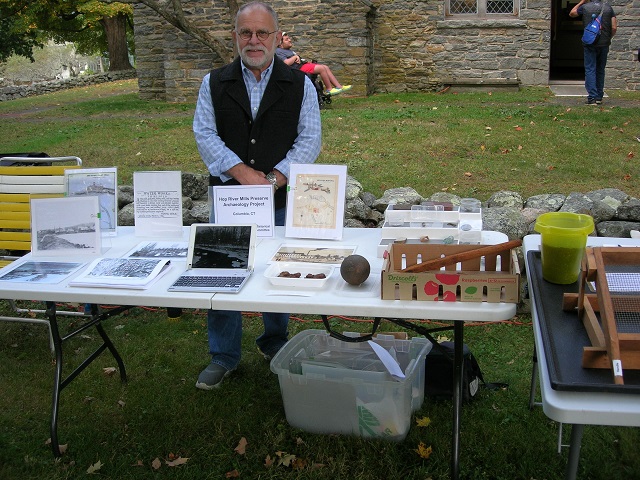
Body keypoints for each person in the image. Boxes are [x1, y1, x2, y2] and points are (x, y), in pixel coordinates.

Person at [192, 1, 322, 390]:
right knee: (221, 273)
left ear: (275, 37)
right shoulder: (212, 82)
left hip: (280, 199)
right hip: (228, 200)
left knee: (278, 274)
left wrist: (274, 180)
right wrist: (243, 174)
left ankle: (276, 342)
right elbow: (205, 133)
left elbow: (310, 139)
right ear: (235, 37)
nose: (253, 40)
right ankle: (223, 355)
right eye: (245, 32)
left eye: (262, 33)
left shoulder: (300, 84)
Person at [570, 0, 617, 105]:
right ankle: (599, 96)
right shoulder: (608, 8)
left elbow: (572, 13)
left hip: (590, 43)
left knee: (590, 69)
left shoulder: (585, 7)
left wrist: (581, 2)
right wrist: (608, 38)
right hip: (604, 43)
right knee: (600, 69)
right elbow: (614, 27)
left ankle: (592, 98)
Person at [276, 32, 352, 96]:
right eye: (286, 40)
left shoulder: (288, 50)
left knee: (325, 67)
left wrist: (296, 57)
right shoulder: (278, 51)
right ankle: (329, 89)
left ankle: (339, 87)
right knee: (321, 69)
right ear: (280, 44)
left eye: (289, 38)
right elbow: (286, 63)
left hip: (303, 65)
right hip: (298, 69)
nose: (290, 40)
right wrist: (295, 57)